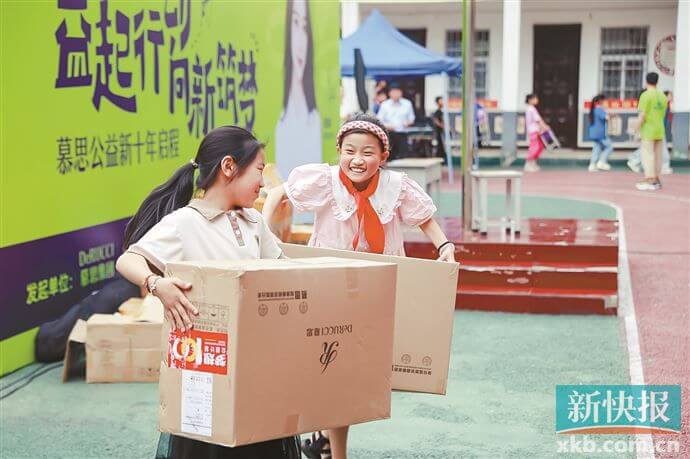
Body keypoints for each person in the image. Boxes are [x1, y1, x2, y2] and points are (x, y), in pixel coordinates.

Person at [262, 113, 457, 459]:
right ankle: (330, 445)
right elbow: (279, 193)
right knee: (327, 368)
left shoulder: (396, 186)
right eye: (349, 151)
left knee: (347, 374)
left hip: (373, 289)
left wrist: (445, 246)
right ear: (339, 151)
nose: (357, 159)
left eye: (368, 152)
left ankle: (324, 439)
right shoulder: (324, 180)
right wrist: (263, 234)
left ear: (383, 156)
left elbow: (424, 219)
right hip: (327, 285)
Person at [115, 126, 301, 459]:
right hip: (206, 368)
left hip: (260, 364)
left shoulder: (253, 221)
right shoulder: (184, 223)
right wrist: (157, 285)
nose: (263, 182)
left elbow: (284, 269)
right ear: (229, 167)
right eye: (259, 170)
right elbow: (128, 260)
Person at [275, 0, 322, 181]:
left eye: (304, 27)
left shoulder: (314, 118)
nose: (301, 41)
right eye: (295, 23)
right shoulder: (281, 118)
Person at [634, 72, 668, 191]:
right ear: (657, 81)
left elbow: (642, 115)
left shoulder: (645, 95)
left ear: (646, 81)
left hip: (648, 130)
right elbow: (663, 114)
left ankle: (649, 179)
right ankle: (657, 179)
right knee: (658, 156)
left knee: (648, 155)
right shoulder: (663, 96)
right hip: (660, 129)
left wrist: (636, 129)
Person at [627, 89, 673, 175]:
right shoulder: (657, 103)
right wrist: (636, 130)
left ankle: (634, 160)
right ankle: (634, 160)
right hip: (652, 129)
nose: (671, 97)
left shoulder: (664, 105)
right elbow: (642, 117)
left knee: (650, 149)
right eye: (670, 95)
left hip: (657, 130)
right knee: (651, 149)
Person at [377, 82, 415, 159]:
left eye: (397, 91)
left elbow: (412, 118)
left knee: (403, 156)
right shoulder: (385, 104)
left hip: (402, 133)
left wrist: (408, 123)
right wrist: (387, 126)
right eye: (393, 92)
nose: (395, 94)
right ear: (389, 93)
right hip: (389, 134)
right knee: (389, 156)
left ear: (401, 92)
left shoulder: (407, 103)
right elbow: (379, 120)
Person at [587, 94, 613, 171]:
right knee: (609, 147)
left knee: (597, 148)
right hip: (600, 133)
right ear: (600, 101)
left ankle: (592, 164)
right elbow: (607, 118)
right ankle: (602, 162)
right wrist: (611, 115)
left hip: (593, 133)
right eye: (604, 101)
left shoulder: (593, 110)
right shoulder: (600, 110)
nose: (605, 103)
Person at [524, 93, 550, 172]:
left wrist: (542, 127)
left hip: (537, 130)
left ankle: (533, 162)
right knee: (534, 147)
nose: (537, 100)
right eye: (535, 99)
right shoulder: (531, 109)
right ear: (530, 100)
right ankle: (528, 163)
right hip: (533, 131)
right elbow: (538, 120)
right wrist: (544, 126)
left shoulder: (532, 108)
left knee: (540, 146)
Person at [431, 96, 446, 162]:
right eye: (441, 101)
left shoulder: (441, 111)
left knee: (442, 147)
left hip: (441, 132)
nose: (442, 103)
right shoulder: (437, 112)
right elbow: (435, 120)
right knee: (439, 147)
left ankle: (442, 159)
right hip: (438, 132)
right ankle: (439, 160)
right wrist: (442, 126)